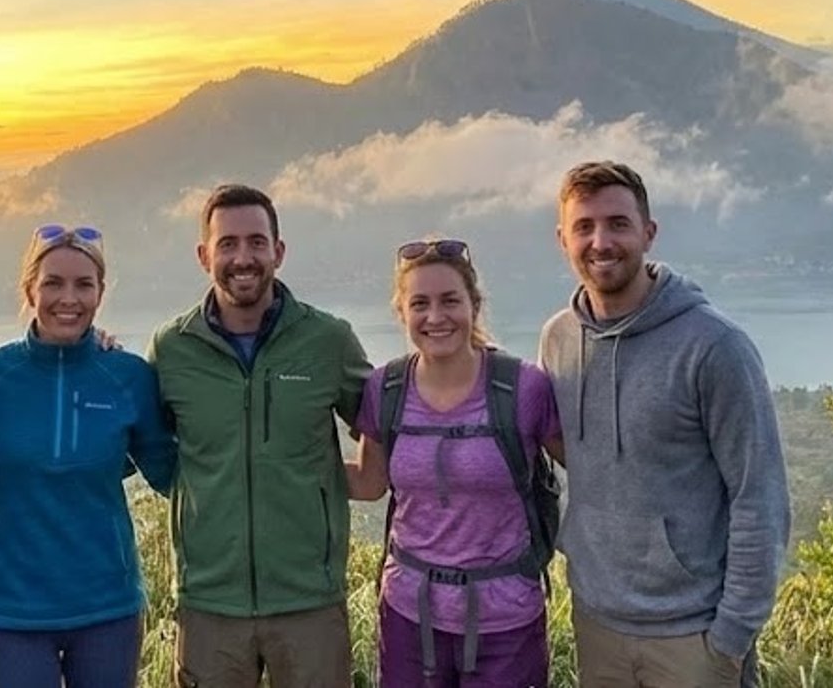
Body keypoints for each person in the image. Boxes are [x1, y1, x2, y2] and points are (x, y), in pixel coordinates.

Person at [538, 160, 790, 688]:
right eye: (584, 227)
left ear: (649, 233)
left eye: (618, 224)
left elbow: (758, 495)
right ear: (562, 239)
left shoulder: (714, 346)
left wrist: (730, 640)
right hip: (597, 621)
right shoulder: (558, 340)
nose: (601, 242)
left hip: (693, 633)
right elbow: (578, 451)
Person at [147, 183, 372, 688]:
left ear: (279, 251)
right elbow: (148, 443)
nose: (242, 257)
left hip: (309, 601)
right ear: (204, 255)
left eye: (256, 242)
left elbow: (382, 418)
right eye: (227, 244)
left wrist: (351, 481)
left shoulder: (328, 340)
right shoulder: (172, 348)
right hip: (210, 603)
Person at [0, 223, 179, 688]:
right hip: (13, 608)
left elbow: (171, 475)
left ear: (101, 293)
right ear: (29, 290)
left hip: (107, 605)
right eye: (53, 283)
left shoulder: (128, 375)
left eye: (84, 284)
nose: (69, 298)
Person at [348, 237, 563, 688]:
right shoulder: (385, 389)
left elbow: (589, 466)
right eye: (419, 303)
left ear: (474, 305)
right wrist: (271, 464)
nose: (435, 317)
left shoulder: (523, 389)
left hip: (506, 619)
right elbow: (369, 482)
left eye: (450, 301)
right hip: (409, 615)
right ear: (401, 311)